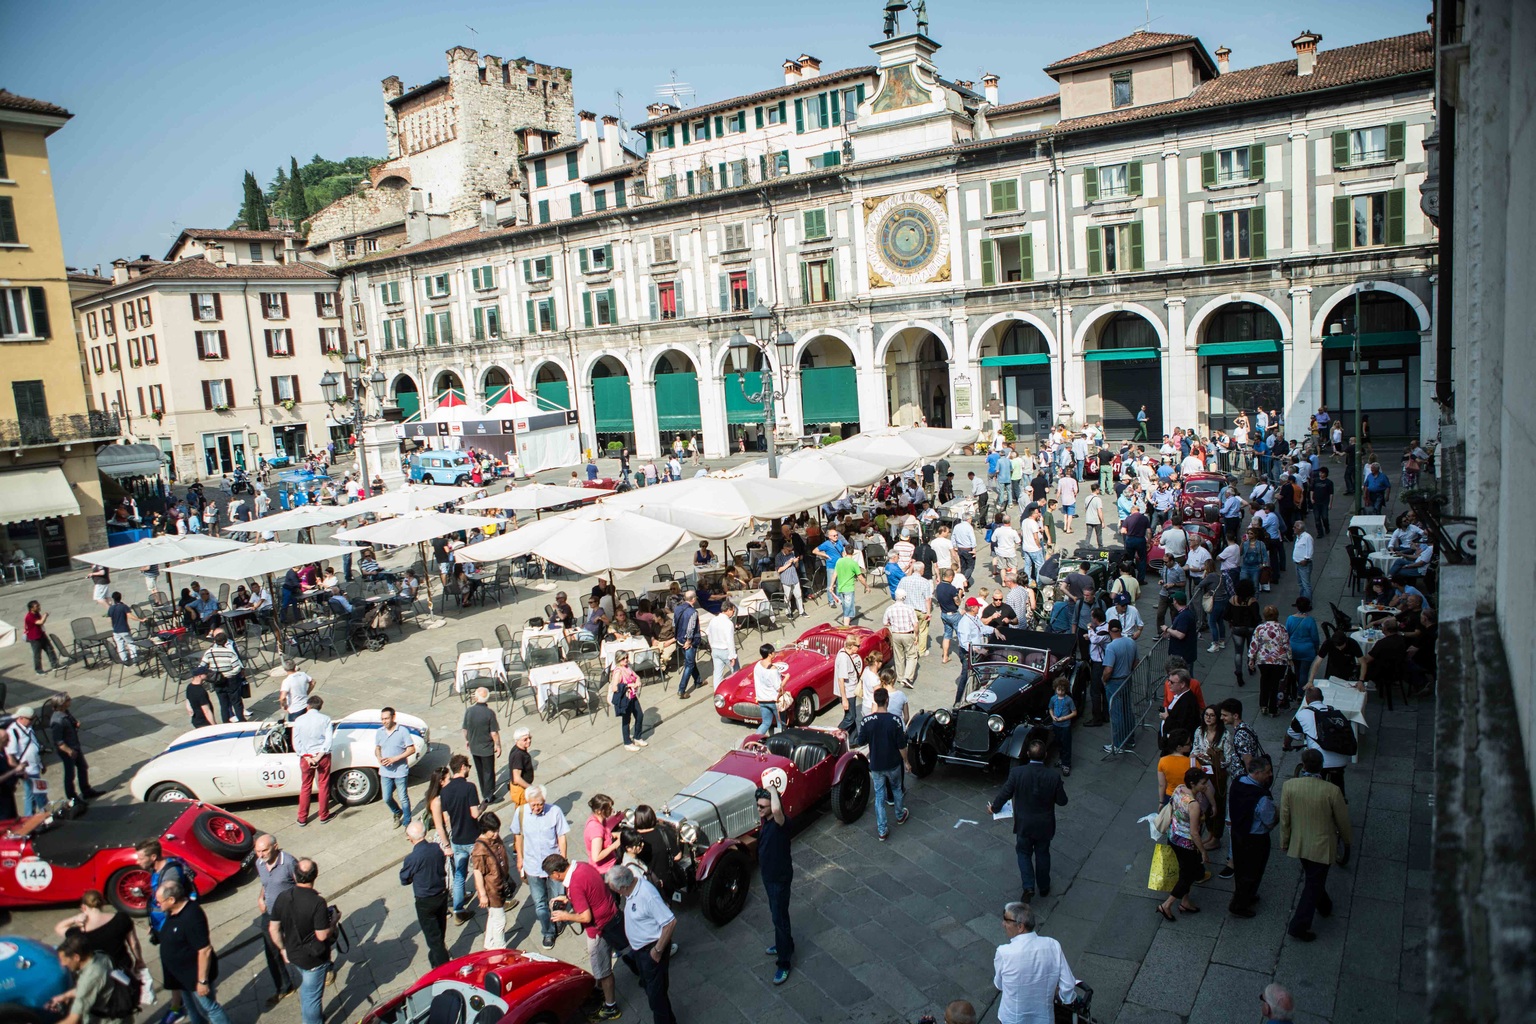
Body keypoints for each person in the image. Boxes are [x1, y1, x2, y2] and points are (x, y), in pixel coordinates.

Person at [1280, 748, 1352, 941]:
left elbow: (1285, 817)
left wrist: (1284, 841)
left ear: (1303, 766)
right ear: (1322, 766)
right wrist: (1347, 841)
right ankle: (1299, 925)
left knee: (1314, 878)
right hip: (1322, 844)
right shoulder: (1332, 791)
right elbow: (1342, 820)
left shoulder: (1290, 786)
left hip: (1301, 843)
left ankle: (1325, 905)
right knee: (1313, 883)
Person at [988, 737, 1068, 901]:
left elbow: (1005, 793)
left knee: (1023, 853)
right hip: (1045, 825)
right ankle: (1044, 887)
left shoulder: (1017, 773)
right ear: (1045, 755)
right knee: (1043, 854)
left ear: (1027, 754)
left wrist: (994, 808)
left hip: (1024, 824)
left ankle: (1028, 886)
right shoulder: (1053, 776)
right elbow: (1062, 801)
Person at [546, 855, 622, 1020]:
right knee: (625, 951)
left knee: (603, 970)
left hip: (599, 929)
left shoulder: (574, 884)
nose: (551, 878)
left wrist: (566, 916)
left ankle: (611, 1006)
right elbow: (586, 892)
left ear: (557, 874)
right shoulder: (580, 867)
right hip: (611, 916)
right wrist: (567, 898)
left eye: (550, 875)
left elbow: (586, 917)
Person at [607, 865, 678, 1024]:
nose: (617, 894)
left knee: (656, 998)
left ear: (624, 887)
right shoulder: (631, 891)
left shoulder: (647, 895)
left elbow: (670, 922)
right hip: (640, 951)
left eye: (616, 890)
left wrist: (657, 950)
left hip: (651, 951)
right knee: (652, 990)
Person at [155, 878, 231, 1024]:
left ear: (171, 899)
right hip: (181, 976)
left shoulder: (192, 916)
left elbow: (204, 950)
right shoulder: (172, 912)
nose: (158, 904)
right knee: (192, 1008)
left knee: (209, 1008)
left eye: (160, 901)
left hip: (194, 975)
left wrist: (202, 981)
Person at [268, 858, 334, 1024]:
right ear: (315, 876)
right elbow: (322, 935)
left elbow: (273, 929)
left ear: (295, 876)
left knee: (307, 989)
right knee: (312, 997)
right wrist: (333, 921)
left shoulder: (283, 897)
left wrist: (283, 950)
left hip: (292, 953)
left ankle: (316, 1017)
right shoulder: (317, 902)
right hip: (314, 958)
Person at [993, 901, 1078, 1024]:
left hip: (1012, 1018)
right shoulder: (1053, 945)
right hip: (1044, 1018)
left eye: (1006, 920)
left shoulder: (1003, 953)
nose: (1003, 924)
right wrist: (1065, 997)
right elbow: (1069, 984)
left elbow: (999, 984)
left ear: (1020, 927)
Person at [512, 785, 569, 950]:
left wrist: (563, 860)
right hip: (533, 866)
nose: (536, 808)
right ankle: (548, 932)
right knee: (540, 903)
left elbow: (562, 837)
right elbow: (518, 835)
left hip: (554, 867)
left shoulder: (555, 812)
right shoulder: (521, 813)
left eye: (540, 804)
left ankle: (559, 921)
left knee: (558, 899)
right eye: (533, 805)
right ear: (528, 802)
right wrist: (520, 858)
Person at [248, 834, 300, 1011]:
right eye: (257, 851)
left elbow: (301, 884)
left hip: (290, 914)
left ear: (276, 846)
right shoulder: (259, 863)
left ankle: (323, 969)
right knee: (272, 952)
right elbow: (266, 882)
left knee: (300, 946)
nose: (260, 855)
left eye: (264, 850)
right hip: (270, 915)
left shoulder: (289, 862)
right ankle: (285, 986)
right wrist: (261, 897)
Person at [855, 687, 912, 841]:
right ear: (887, 700)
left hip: (876, 765)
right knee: (897, 789)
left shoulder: (867, 721)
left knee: (879, 796)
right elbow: (902, 746)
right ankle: (900, 815)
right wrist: (906, 762)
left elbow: (860, 741)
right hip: (893, 763)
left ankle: (882, 830)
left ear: (875, 700)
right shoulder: (895, 721)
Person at [1155, 767, 1211, 920]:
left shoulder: (1180, 789)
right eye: (1203, 783)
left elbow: (1173, 808)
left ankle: (1185, 901)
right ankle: (1166, 905)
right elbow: (1194, 832)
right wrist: (1203, 851)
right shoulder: (1194, 805)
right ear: (1193, 784)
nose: (1205, 786)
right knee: (1188, 875)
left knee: (1185, 870)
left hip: (1173, 836)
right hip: (1186, 844)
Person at [756, 779, 795, 985]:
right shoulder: (767, 821)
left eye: (763, 806)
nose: (759, 809)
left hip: (779, 879)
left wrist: (772, 788)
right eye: (758, 806)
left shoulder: (782, 822)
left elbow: (777, 810)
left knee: (779, 918)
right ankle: (785, 944)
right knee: (777, 915)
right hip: (769, 876)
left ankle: (784, 962)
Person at [46, 694, 102, 804]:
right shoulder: (57, 720)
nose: (70, 700)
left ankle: (86, 790)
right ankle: (72, 798)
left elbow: (72, 723)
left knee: (83, 767)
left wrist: (76, 725)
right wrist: (69, 751)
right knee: (70, 774)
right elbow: (58, 741)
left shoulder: (65, 713)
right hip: (68, 750)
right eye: (68, 699)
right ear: (62, 703)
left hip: (75, 746)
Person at [470, 811, 513, 950]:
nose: (496, 834)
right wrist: (482, 894)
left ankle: (489, 945)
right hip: (491, 890)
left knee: (493, 917)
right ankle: (500, 949)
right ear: (484, 830)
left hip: (499, 885)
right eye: (493, 831)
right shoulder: (479, 849)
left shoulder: (495, 839)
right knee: (500, 920)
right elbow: (477, 873)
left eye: (497, 830)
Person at [375, 707, 416, 827]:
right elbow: (377, 748)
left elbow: (411, 749)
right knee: (386, 798)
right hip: (385, 771)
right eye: (382, 719)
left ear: (393, 717)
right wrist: (379, 757)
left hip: (400, 771)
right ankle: (397, 812)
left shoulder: (402, 731)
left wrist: (395, 758)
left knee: (403, 797)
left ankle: (407, 822)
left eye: (386, 718)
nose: (384, 721)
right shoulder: (379, 732)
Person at [1247, 606, 1292, 717]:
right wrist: (1290, 658)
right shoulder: (1282, 628)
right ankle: (1273, 708)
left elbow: (1254, 644)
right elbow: (1286, 645)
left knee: (1264, 681)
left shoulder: (1260, 628)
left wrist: (1251, 658)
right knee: (1275, 684)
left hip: (1263, 660)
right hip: (1278, 660)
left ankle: (1263, 705)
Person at [1100, 622, 1138, 752]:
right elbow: (1136, 662)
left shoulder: (1111, 647)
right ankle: (1130, 739)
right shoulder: (1131, 642)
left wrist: (1104, 680)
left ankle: (1118, 744)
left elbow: (1108, 669)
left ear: (1110, 631)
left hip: (1115, 682)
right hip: (1127, 679)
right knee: (1127, 710)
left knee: (1116, 714)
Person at [5, 705, 47, 815]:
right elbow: (11, 757)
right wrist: (21, 772)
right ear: (21, 718)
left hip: (35, 767)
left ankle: (31, 817)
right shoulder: (13, 732)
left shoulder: (28, 727)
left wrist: (41, 764)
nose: (32, 721)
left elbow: (34, 746)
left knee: (32, 795)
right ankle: (44, 814)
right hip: (27, 771)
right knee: (39, 793)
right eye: (30, 719)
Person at [462, 687, 502, 802]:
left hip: (474, 747)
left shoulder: (469, 711)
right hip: (487, 748)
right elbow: (494, 733)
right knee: (488, 772)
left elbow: (465, 730)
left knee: (480, 771)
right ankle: (489, 796)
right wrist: (498, 745)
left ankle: (484, 792)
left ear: (476, 697)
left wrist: (467, 740)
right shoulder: (489, 713)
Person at [197, 631, 246, 723]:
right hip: (230, 680)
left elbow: (201, 666)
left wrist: (210, 674)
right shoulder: (230, 652)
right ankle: (242, 721)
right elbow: (237, 667)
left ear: (215, 641)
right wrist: (229, 674)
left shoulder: (209, 652)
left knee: (223, 704)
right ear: (225, 641)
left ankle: (226, 722)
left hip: (217, 680)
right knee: (237, 703)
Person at [610, 651, 647, 751]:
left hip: (633, 696)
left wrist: (638, 680)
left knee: (640, 715)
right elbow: (614, 688)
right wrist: (629, 685)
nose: (625, 660)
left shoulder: (627, 667)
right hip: (625, 699)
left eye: (626, 657)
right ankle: (627, 742)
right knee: (626, 721)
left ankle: (637, 737)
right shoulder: (618, 671)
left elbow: (636, 676)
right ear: (618, 660)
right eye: (623, 658)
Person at [673, 589, 702, 698]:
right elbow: (691, 628)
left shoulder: (677, 608)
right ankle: (681, 689)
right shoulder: (693, 612)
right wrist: (689, 641)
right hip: (688, 642)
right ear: (693, 599)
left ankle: (698, 681)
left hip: (679, 639)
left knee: (691, 662)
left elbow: (674, 623)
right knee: (689, 665)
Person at [753, 644, 785, 737]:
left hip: (762, 700)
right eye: (773, 652)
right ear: (770, 654)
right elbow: (779, 688)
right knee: (780, 723)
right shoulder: (773, 670)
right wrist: (786, 678)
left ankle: (754, 741)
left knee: (766, 723)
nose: (775, 653)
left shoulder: (757, 665)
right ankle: (778, 742)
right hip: (773, 700)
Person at [833, 545, 868, 627]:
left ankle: (845, 620)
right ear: (853, 553)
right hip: (849, 589)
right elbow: (860, 577)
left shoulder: (839, 561)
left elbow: (835, 574)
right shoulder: (854, 563)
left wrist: (831, 585)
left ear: (845, 552)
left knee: (845, 606)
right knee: (848, 609)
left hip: (840, 588)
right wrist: (866, 586)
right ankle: (846, 627)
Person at [1048, 678, 1077, 776]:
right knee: (1058, 743)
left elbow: (1074, 712)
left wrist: (1064, 718)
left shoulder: (1069, 700)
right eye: (1058, 690)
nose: (1060, 692)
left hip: (1065, 726)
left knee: (1066, 745)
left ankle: (1066, 764)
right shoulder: (1053, 698)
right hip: (1056, 724)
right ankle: (1062, 759)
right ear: (1055, 689)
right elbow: (1050, 709)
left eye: (1062, 690)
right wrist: (1052, 716)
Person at [24, 600, 59, 674]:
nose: (39, 607)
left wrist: (44, 617)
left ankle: (55, 665)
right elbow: (40, 622)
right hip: (34, 638)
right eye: (37, 606)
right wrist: (45, 615)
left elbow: (41, 622)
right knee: (37, 655)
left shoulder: (37, 614)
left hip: (42, 635)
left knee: (50, 650)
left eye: (39, 605)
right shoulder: (29, 616)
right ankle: (38, 670)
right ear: (32, 608)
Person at [506, 727, 535, 806]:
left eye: (529, 738)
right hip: (521, 789)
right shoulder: (519, 755)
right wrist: (530, 787)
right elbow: (517, 778)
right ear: (517, 741)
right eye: (525, 739)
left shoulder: (517, 749)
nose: (529, 740)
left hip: (520, 789)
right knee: (524, 812)